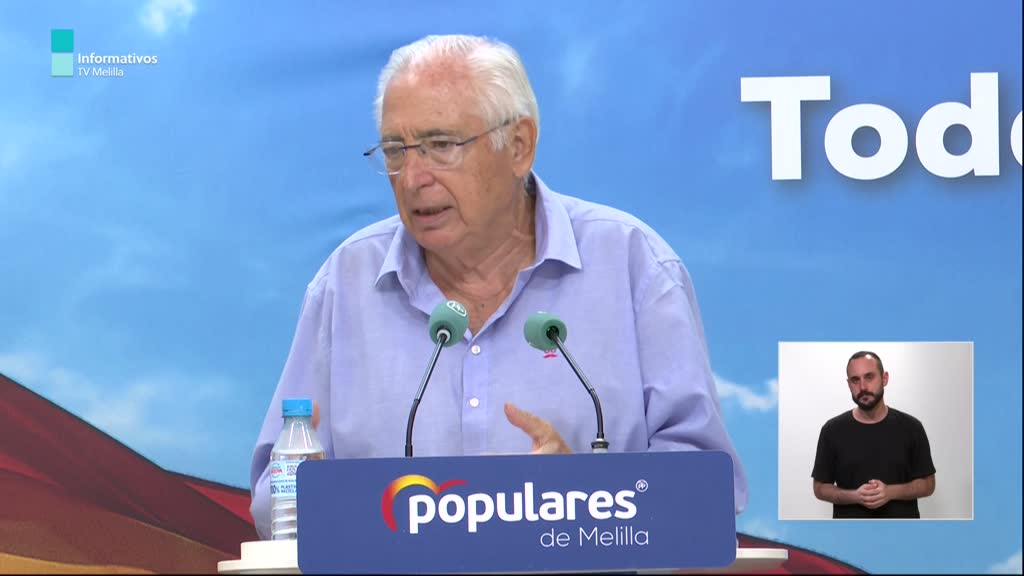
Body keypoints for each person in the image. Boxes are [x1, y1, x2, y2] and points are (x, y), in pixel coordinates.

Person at [249, 33, 746, 539]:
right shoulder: (346, 282)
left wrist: (583, 499)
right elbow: (274, 500)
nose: (413, 177)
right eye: (396, 151)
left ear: (519, 146)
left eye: (441, 145)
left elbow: (706, 492)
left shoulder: (633, 265)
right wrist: (327, 498)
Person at [811, 351, 936, 519]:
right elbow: (819, 488)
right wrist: (855, 496)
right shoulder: (832, 430)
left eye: (869, 377)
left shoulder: (912, 428)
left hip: (903, 531)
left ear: (885, 379)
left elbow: (928, 484)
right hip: (848, 531)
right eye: (855, 380)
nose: (863, 387)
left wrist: (890, 492)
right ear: (849, 384)